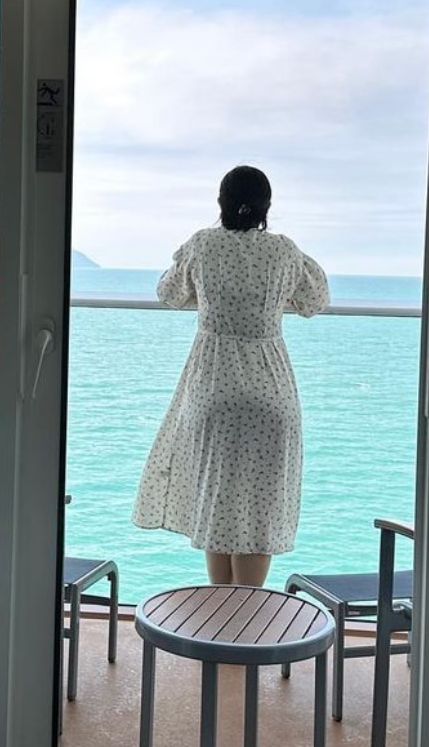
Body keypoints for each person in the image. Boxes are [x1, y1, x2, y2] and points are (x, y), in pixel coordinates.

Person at [132, 165, 330, 588]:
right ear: (267, 208)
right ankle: (247, 627)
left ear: (220, 203)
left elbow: (168, 294)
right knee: (258, 513)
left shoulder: (203, 245)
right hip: (271, 390)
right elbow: (316, 300)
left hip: (214, 388)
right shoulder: (284, 252)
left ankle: (221, 628)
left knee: (217, 501)